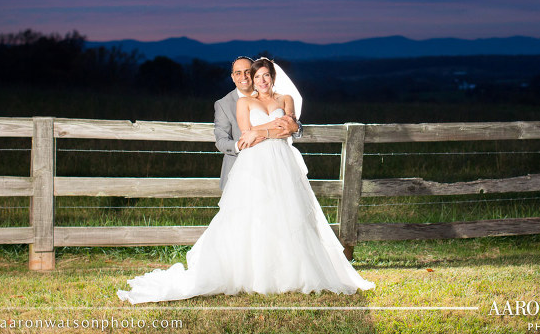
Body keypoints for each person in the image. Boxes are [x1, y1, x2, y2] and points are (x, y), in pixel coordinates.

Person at [117, 57, 374, 303]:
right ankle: (252, 273)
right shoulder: (241, 103)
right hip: (254, 164)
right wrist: (275, 128)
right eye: (255, 76)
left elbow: (291, 128)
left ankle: (291, 272)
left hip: (283, 164)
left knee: (288, 214)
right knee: (253, 215)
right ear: (240, 77)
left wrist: (267, 130)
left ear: (273, 78)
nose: (259, 80)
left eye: (264, 75)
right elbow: (247, 134)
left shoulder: (286, 99)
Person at [213, 56, 300, 189]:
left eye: (248, 71)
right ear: (232, 77)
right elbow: (221, 140)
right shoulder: (223, 104)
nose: (244, 77)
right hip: (242, 166)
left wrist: (295, 127)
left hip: (278, 162)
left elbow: (291, 126)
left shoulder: (280, 98)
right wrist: (240, 145)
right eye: (238, 73)